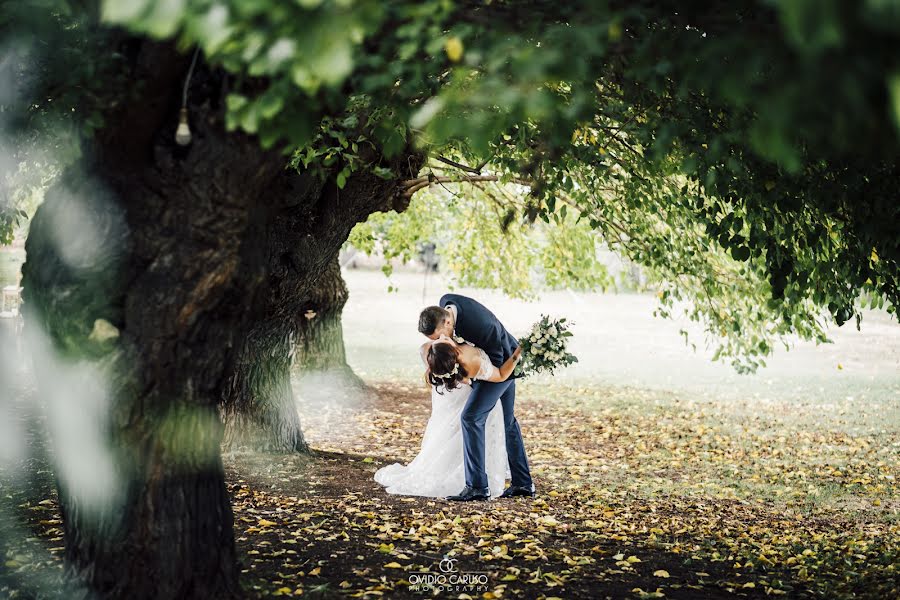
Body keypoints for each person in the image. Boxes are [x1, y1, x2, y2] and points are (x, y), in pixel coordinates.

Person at [419, 294, 535, 501]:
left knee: (471, 418)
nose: (439, 341)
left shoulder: (482, 326)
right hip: (487, 364)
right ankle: (523, 484)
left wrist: (470, 376)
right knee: (508, 422)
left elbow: (498, 372)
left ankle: (478, 487)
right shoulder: (446, 304)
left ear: (447, 322)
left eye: (438, 337)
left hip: (502, 365)